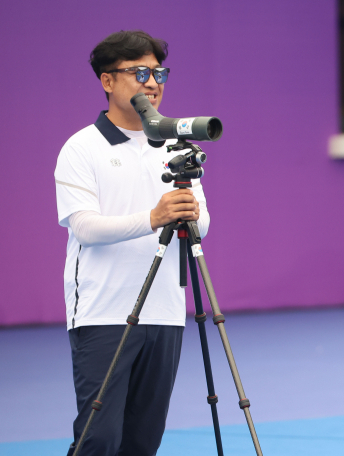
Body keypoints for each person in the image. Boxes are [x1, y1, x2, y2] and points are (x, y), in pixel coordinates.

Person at [54, 30, 210, 456]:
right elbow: (84, 226)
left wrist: (190, 214)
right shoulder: (81, 148)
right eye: (139, 72)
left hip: (165, 313)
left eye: (159, 73)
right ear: (108, 81)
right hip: (103, 313)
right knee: (99, 439)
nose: (153, 83)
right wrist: (153, 218)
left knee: (142, 442)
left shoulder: (176, 145)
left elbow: (204, 221)